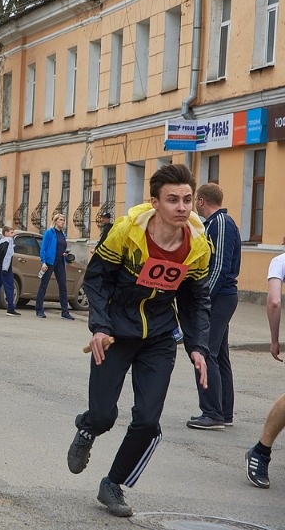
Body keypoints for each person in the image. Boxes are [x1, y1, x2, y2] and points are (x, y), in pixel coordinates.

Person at [66, 163, 210, 518]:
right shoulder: (126, 232)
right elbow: (97, 280)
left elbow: (195, 299)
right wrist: (99, 327)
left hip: (159, 337)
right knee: (102, 416)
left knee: (148, 420)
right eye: (173, 200)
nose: (182, 207)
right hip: (116, 331)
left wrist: (198, 346)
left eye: (187, 199)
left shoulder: (198, 244)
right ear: (155, 202)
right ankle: (87, 431)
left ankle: (113, 484)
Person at [187, 183, 241, 430]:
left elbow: (219, 266)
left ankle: (212, 413)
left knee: (206, 351)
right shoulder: (215, 224)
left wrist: (203, 299)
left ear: (200, 201)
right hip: (222, 296)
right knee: (219, 354)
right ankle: (224, 412)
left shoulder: (220, 223)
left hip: (219, 297)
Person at [243, 251, 285, 489]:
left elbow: (274, 302)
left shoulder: (280, 261)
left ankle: (262, 451)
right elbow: (273, 302)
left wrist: (274, 339)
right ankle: (260, 450)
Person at [35, 213, 74, 320]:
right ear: (56, 221)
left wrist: (64, 254)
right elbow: (43, 248)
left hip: (60, 262)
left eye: (63, 220)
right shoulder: (49, 233)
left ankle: (65, 311)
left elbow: (60, 248)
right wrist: (43, 262)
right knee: (44, 285)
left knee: (63, 286)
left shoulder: (62, 234)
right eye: (60, 220)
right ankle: (39, 309)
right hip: (49, 262)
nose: (62, 222)